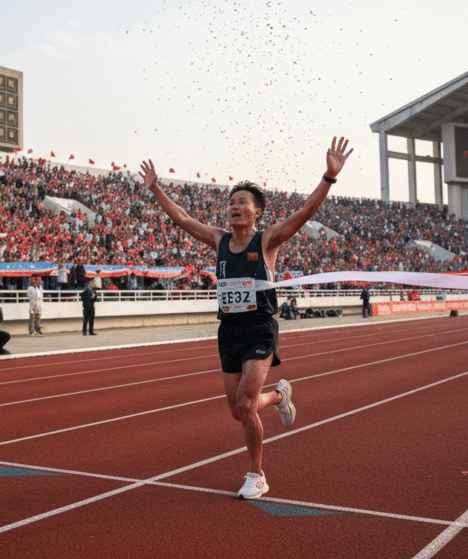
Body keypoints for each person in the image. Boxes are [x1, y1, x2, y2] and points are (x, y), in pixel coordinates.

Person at [140, 136, 352, 499]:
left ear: (257, 213)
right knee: (240, 411)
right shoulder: (219, 240)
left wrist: (329, 178)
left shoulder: (268, 240)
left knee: (244, 403)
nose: (235, 207)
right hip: (229, 331)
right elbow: (182, 218)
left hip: (258, 329)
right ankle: (279, 396)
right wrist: (156, 187)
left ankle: (256, 474)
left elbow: (304, 213)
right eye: (232, 203)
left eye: (243, 203)